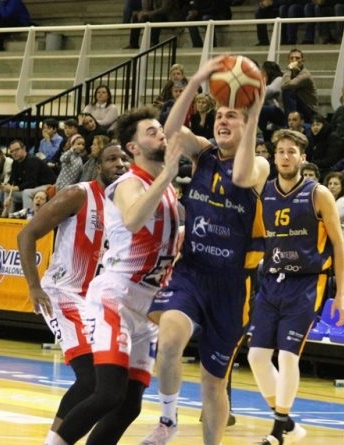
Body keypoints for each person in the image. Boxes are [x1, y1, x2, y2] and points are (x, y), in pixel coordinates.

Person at [144, 55, 269, 445]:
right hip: (192, 272)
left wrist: (255, 111)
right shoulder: (203, 154)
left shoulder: (260, 166)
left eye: (232, 116)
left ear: (247, 124)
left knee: (213, 383)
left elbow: (242, 176)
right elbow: (169, 132)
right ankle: (167, 420)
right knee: (169, 340)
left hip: (233, 286)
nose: (222, 120)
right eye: (219, 115)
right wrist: (197, 79)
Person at [50, 107, 181, 445]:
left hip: (148, 306)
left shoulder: (166, 187)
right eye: (151, 131)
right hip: (116, 298)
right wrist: (168, 175)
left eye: (160, 129)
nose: (161, 134)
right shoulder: (128, 183)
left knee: (129, 406)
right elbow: (135, 219)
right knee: (107, 393)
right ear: (133, 147)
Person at [17, 144, 129, 445]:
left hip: (100, 301)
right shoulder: (78, 194)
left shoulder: (130, 205)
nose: (120, 164)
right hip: (63, 293)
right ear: (98, 166)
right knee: (92, 379)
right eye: (112, 159)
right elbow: (26, 234)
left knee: (113, 385)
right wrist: (34, 286)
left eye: (124, 159)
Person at [247, 129, 344, 445]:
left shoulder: (318, 194)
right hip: (271, 281)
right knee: (256, 357)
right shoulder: (265, 192)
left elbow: (339, 244)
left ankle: (279, 431)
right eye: (280, 151)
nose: (285, 157)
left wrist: (341, 294)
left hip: (306, 283)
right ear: (273, 156)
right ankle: (290, 425)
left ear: (302, 158)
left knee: (288, 357)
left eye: (291, 151)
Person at [3, 139, 56, 211]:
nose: (14, 153)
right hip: (34, 187)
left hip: (48, 185)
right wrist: (6, 185)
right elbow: (13, 180)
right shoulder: (15, 163)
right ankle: (9, 215)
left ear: (24, 148)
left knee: (26, 193)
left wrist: (14, 188)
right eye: (12, 151)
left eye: (17, 149)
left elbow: (32, 183)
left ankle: (28, 216)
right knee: (8, 191)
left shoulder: (32, 160)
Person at [281, 48, 320, 122]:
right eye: (291, 58)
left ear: (302, 60)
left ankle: (289, 123)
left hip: (310, 110)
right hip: (298, 106)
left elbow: (285, 85)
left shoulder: (305, 75)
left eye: (297, 58)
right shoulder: (291, 73)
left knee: (288, 91)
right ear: (288, 61)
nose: (294, 60)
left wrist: (288, 69)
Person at [324, 171, 344, 236]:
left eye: (336, 184)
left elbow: (331, 222)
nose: (332, 186)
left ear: (342, 186)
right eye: (330, 184)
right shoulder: (333, 200)